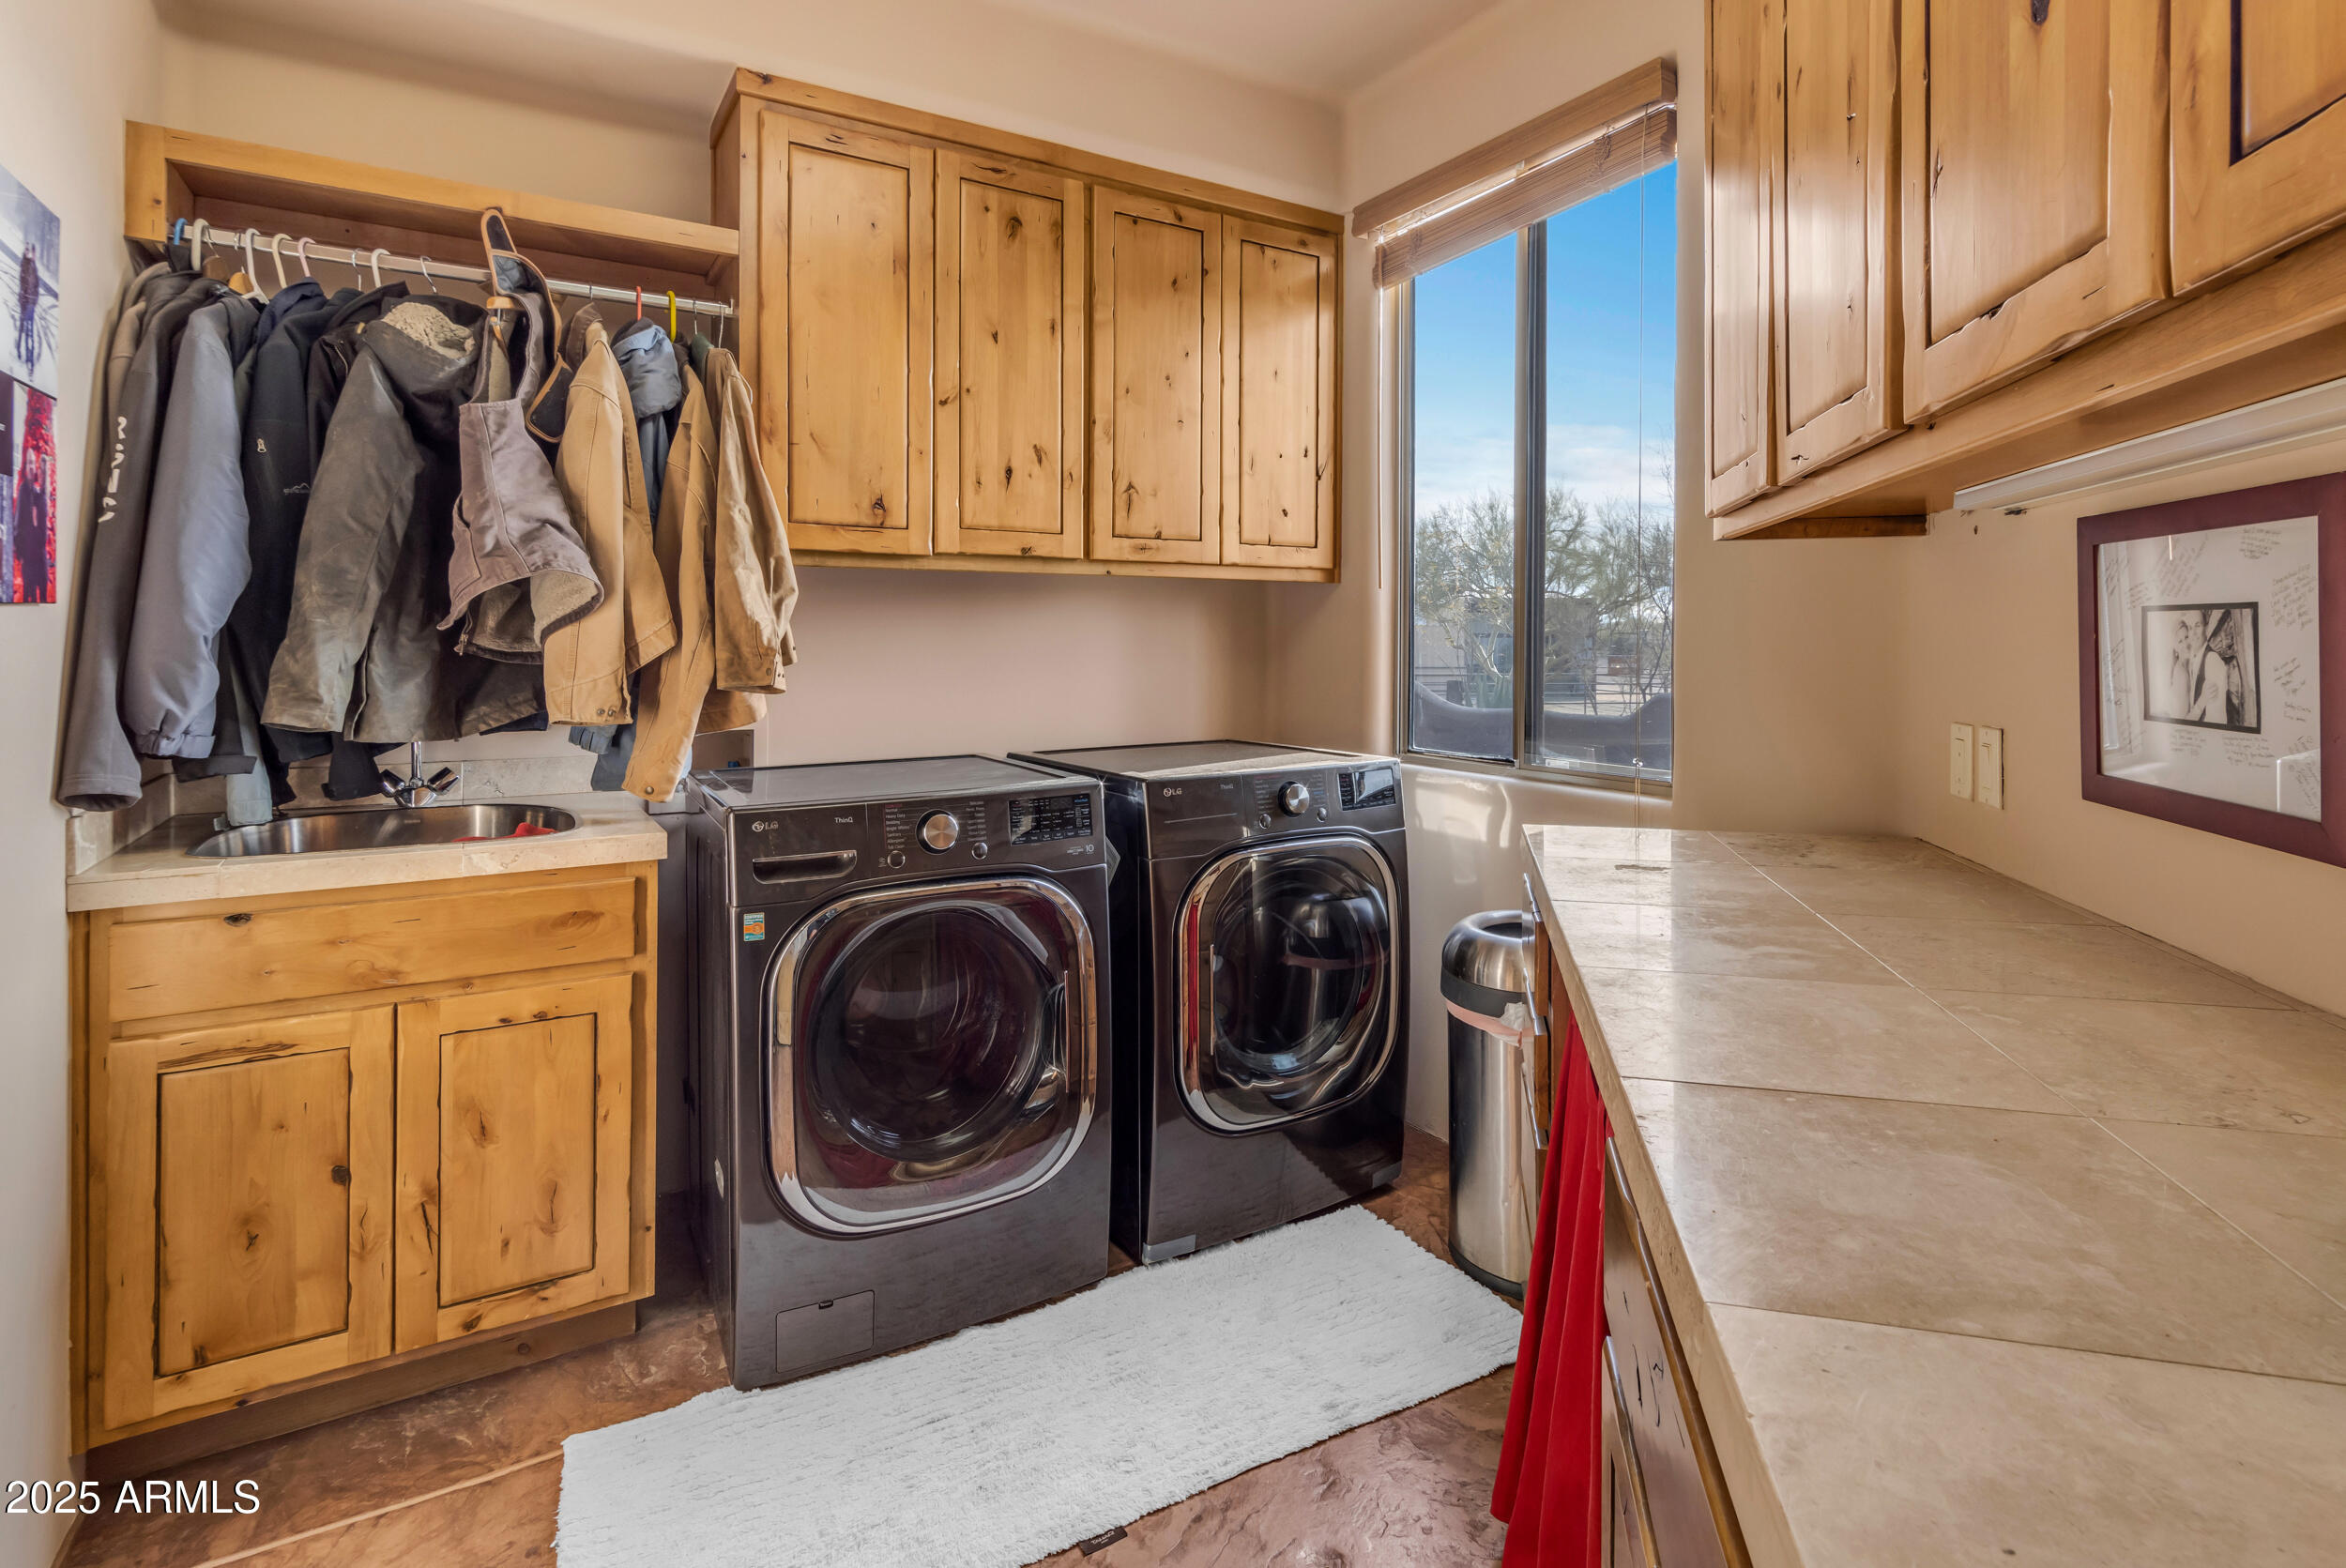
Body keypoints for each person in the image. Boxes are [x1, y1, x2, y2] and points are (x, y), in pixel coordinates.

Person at [15, 239, 36, 369]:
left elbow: (36, 285)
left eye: (31, 251)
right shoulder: (25, 263)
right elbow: (24, 283)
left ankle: (30, 357)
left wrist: (35, 300)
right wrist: (24, 297)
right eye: (27, 250)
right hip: (25, 302)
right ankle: (19, 350)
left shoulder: (33, 267)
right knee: (23, 329)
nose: (30, 253)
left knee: (30, 331)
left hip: (31, 304)